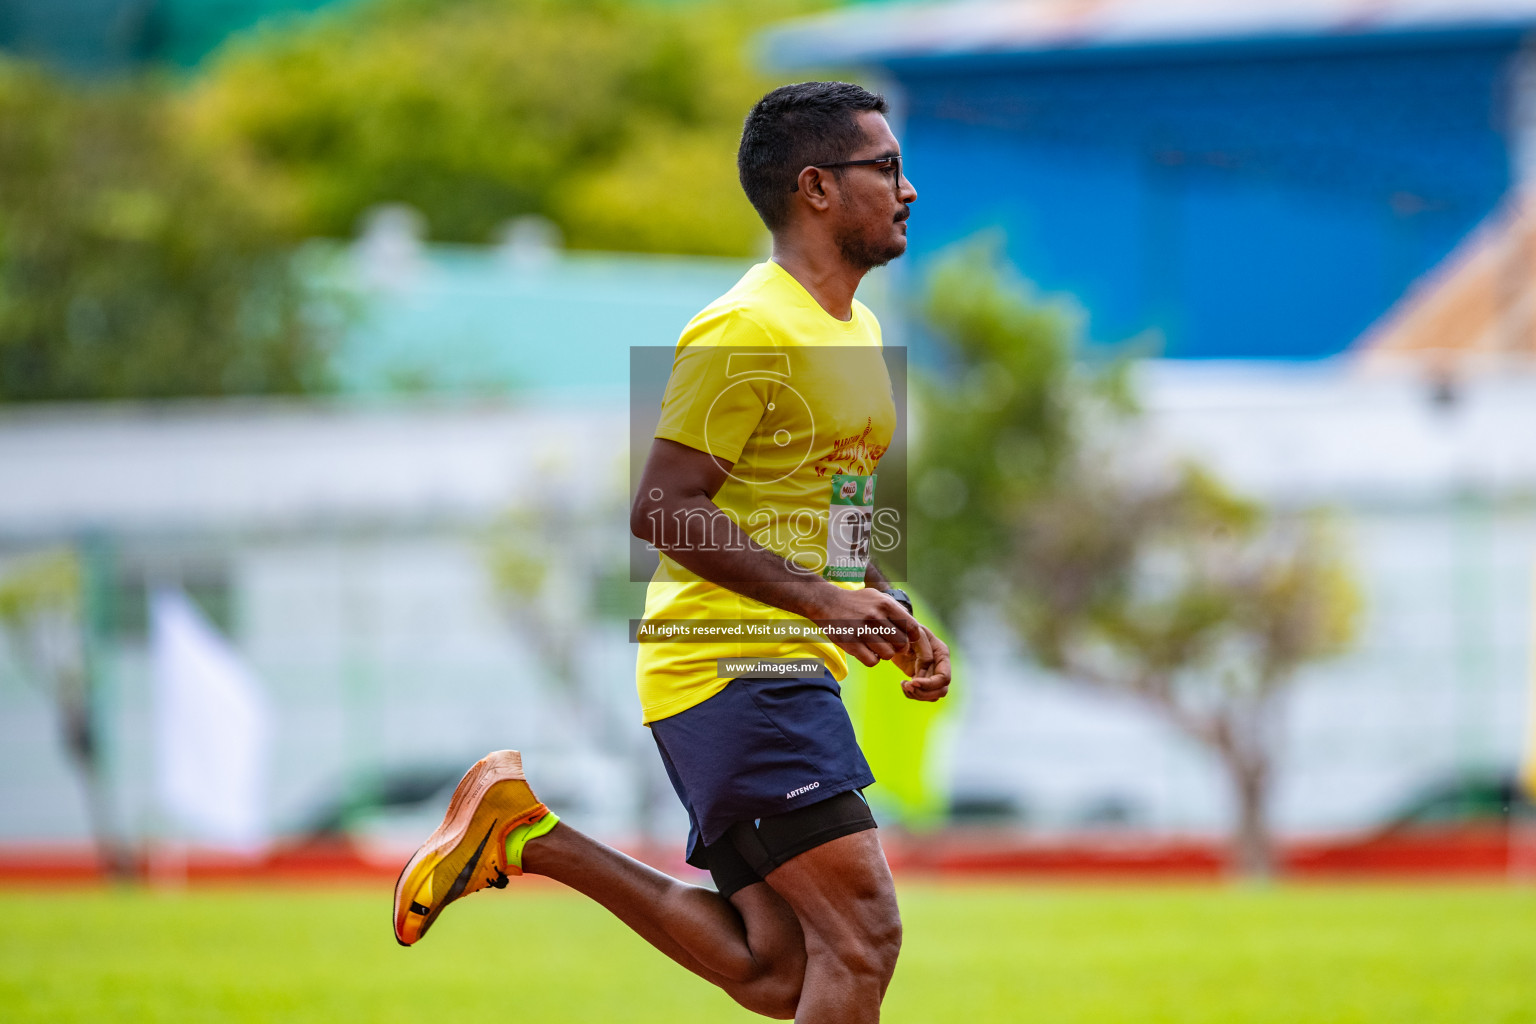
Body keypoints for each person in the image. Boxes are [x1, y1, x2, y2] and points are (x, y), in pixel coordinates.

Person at [392, 81, 952, 1024]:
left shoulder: (856, 328)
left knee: (779, 971)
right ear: (816, 188)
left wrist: (884, 609)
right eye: (886, 167)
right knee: (864, 938)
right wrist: (820, 602)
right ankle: (522, 833)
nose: (908, 188)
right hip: (732, 664)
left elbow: (843, 499)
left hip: (781, 668)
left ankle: (525, 833)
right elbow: (660, 508)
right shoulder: (743, 327)